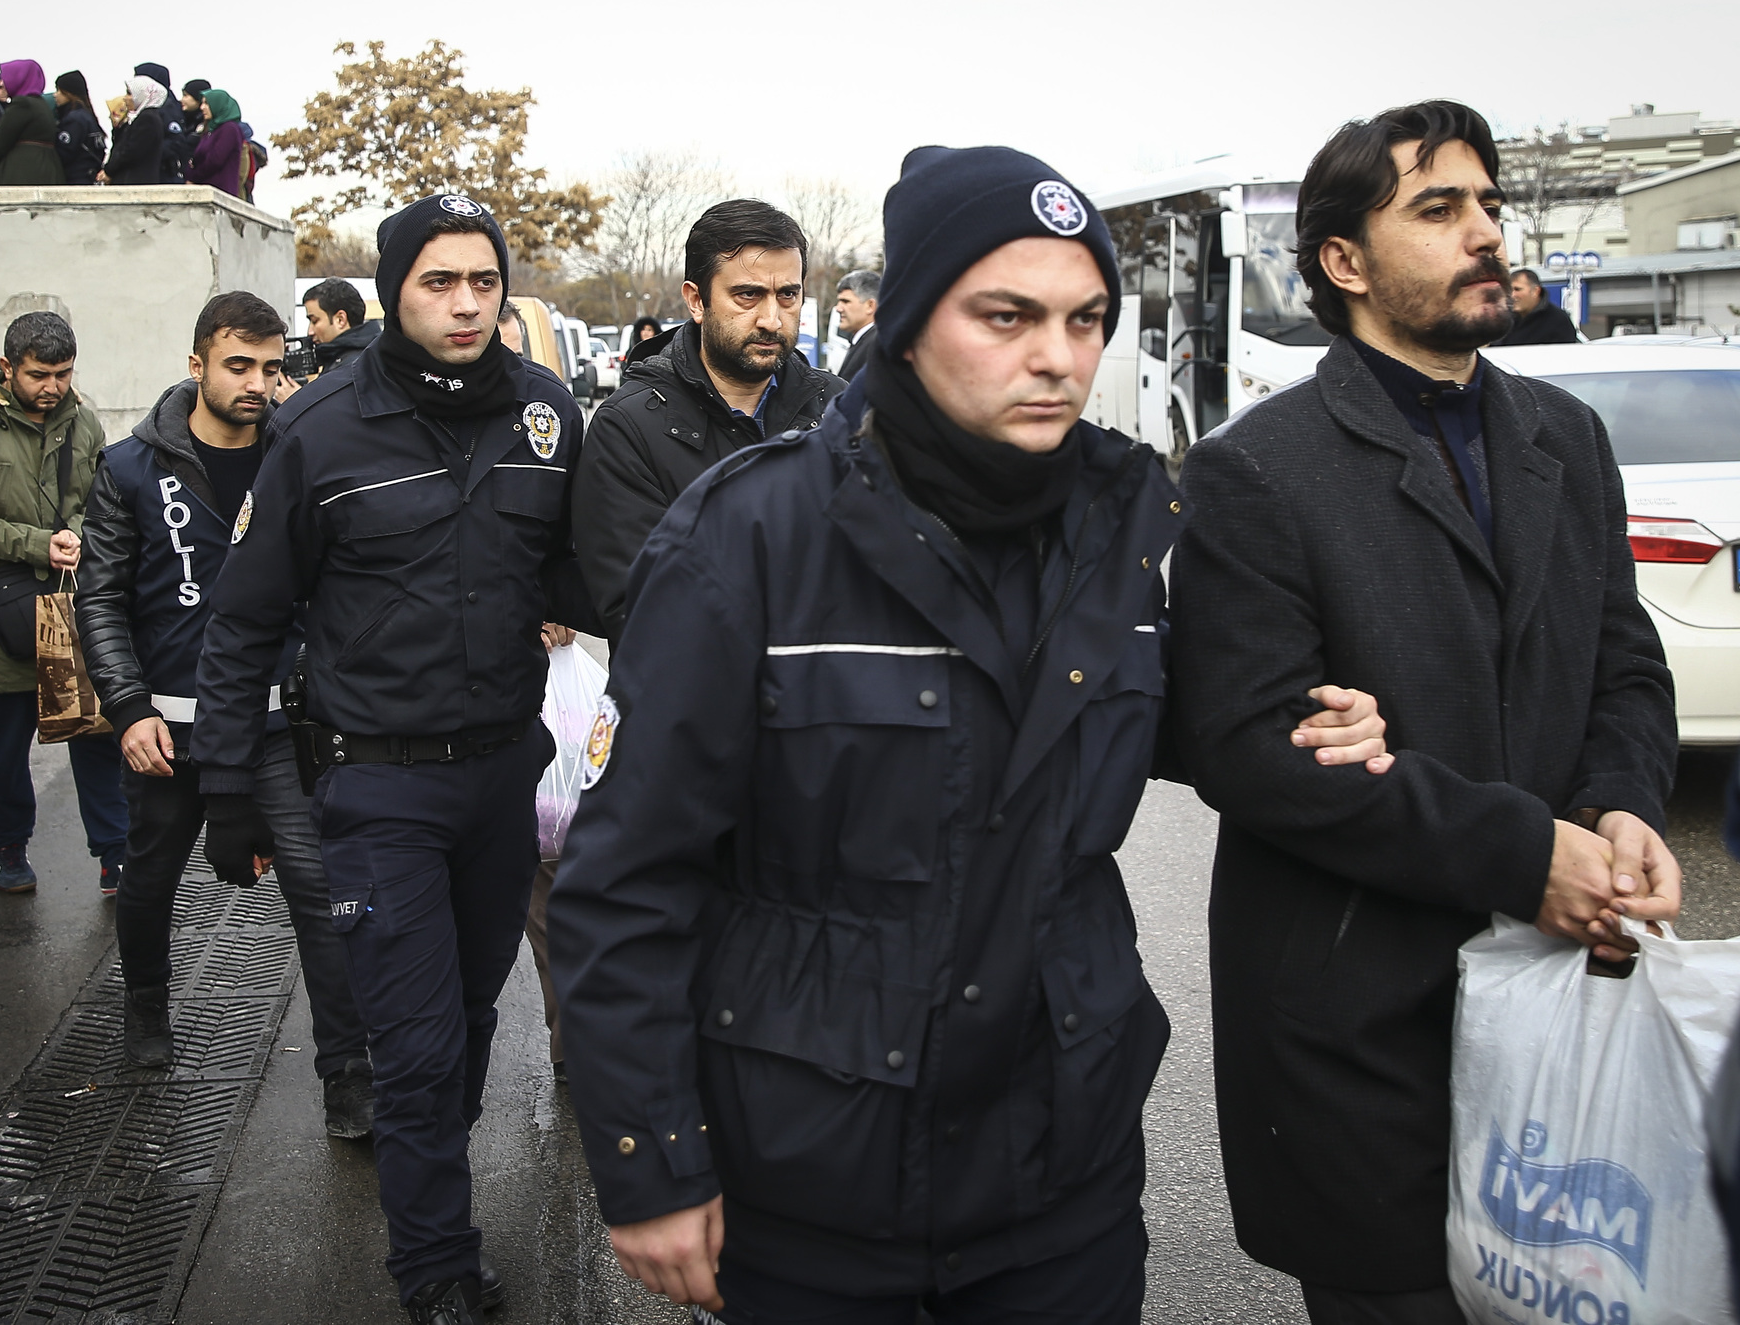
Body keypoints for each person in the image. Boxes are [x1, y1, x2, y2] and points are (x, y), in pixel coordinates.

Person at [548, 145, 1390, 1322]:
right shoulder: (748, 538)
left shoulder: (1127, 524)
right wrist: (649, 1157)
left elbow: (1167, 717)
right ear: (904, 324)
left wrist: (1295, 723)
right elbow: (624, 879)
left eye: (1084, 318)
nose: (1057, 356)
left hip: (1062, 1173)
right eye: (1006, 315)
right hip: (813, 1184)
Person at [1168, 100, 1681, 1325]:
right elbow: (1250, 746)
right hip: (1362, 1031)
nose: (1484, 232)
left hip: (1564, 1007)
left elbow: (1622, 656)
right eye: (1437, 208)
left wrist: (1617, 805)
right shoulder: (1258, 469)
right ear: (1342, 262)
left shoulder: (1564, 435)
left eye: (1489, 204)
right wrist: (1524, 855)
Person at [190, 192, 601, 1323]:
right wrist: (230, 788)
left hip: (497, 780)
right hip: (374, 789)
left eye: (483, 281)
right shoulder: (318, 429)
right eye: (438, 281)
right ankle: (433, 1270)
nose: (466, 304)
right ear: (391, 290)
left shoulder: (547, 414)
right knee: (416, 1045)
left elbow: (577, 577)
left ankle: (430, 1166)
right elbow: (243, 620)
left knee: (467, 1021)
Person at [76, 290, 377, 1131]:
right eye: (238, 365)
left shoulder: (298, 454)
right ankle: (145, 1003)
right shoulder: (130, 467)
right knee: (151, 877)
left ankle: (347, 1072)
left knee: (319, 891)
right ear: (197, 364)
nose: (256, 383)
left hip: (278, 722)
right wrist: (127, 706)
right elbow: (97, 598)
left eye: (272, 367)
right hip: (165, 726)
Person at [571, 199, 843, 643]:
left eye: (787, 295)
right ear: (696, 300)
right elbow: (641, 607)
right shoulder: (629, 427)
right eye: (748, 295)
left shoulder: (840, 411)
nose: (772, 319)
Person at [0, 311, 128, 895]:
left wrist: (81, 534)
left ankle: (115, 855)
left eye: (63, 374)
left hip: (73, 603)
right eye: (39, 375)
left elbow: (106, 502)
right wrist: (40, 543)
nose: (53, 387)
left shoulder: (83, 422)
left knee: (95, 731)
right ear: (8, 368)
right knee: (5, 744)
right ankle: (8, 848)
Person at [0, 60, 65, 187]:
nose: (2, 82)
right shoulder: (42, 104)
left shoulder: (22, 105)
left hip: (22, 171)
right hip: (47, 169)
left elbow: (2, 141)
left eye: (7, 77)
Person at [301, 277, 381, 374]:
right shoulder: (370, 356)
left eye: (315, 321)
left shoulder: (353, 367)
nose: (310, 332)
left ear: (340, 320)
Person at [98, 75, 167, 186]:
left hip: (135, 182)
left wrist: (109, 171)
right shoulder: (141, 118)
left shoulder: (147, 119)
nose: (125, 98)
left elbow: (130, 152)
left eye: (129, 93)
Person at [183, 89, 246, 198]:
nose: (202, 107)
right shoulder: (210, 131)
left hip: (220, 194)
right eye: (202, 103)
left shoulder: (229, 129)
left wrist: (193, 177)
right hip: (203, 191)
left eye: (206, 103)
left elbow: (215, 160)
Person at [132, 63, 188, 183]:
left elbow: (176, 142)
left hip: (162, 175)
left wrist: (149, 152)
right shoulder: (147, 107)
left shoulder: (166, 107)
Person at [1497, 266, 1580, 345]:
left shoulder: (1558, 320)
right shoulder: (1504, 318)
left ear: (1535, 291)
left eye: (1517, 289)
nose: (1512, 295)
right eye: (1509, 290)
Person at [53, 70, 106, 186]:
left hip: (75, 180)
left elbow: (63, 154)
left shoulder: (74, 120)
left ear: (69, 93)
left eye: (59, 90)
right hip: (90, 179)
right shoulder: (89, 117)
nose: (55, 95)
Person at [833, 267, 882, 381]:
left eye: (846, 301)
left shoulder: (877, 345)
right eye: (839, 301)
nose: (838, 308)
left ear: (870, 305)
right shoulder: (864, 341)